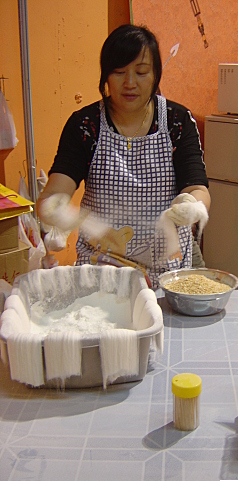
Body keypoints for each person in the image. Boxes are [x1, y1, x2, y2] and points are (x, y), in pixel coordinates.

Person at [36, 24, 211, 289]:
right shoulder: (86, 125)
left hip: (169, 268)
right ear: (106, 76)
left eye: (141, 72)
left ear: (155, 75)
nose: (130, 83)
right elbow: (54, 193)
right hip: (102, 271)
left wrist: (193, 205)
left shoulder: (177, 121)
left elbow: (198, 187)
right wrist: (56, 208)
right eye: (119, 72)